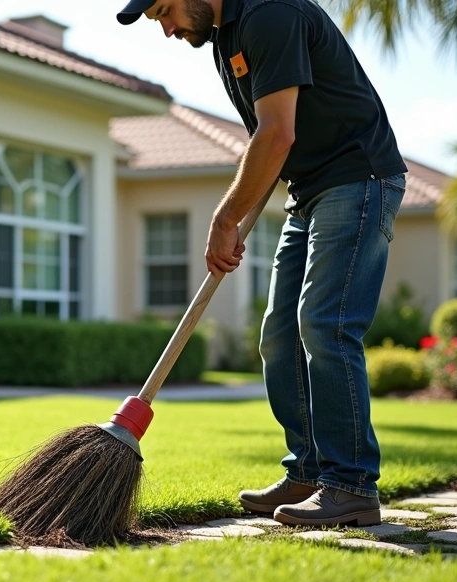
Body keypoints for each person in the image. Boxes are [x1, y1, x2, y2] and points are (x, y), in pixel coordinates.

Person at [116, 0, 408, 526]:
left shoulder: (272, 14)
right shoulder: (227, 41)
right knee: (278, 333)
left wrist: (225, 218)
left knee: (325, 324)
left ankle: (351, 486)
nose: (167, 31)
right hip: (311, 191)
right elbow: (265, 140)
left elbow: (277, 134)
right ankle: (309, 471)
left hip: (359, 178)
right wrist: (240, 204)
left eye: (164, 12)